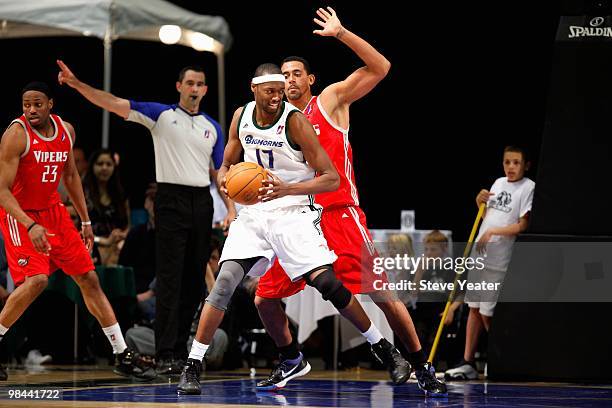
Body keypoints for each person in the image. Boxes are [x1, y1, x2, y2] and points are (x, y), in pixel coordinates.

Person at [176, 63, 409, 395]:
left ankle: (383, 347)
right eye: (270, 90)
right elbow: (225, 164)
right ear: (254, 88)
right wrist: (226, 182)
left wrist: (286, 189)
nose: (277, 96)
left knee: (328, 282)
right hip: (255, 213)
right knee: (225, 282)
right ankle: (193, 364)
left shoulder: (296, 121)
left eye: (280, 91)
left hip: (295, 210)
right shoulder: (241, 116)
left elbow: (330, 178)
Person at [253, 7, 447, 396]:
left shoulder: (329, 100)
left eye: (296, 74)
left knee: (382, 295)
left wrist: (341, 33)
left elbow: (381, 67)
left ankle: (422, 366)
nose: (289, 80)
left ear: (309, 79)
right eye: (284, 75)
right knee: (263, 299)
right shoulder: (278, 124)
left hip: (340, 214)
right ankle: (291, 358)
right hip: (300, 221)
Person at [57, 61, 236, 375]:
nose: (195, 88)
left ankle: (182, 351)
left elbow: (220, 174)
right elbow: (113, 103)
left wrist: (232, 208)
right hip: (170, 199)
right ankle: (166, 352)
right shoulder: (161, 115)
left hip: (201, 202)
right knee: (169, 279)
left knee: (195, 282)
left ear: (206, 89)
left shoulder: (213, 127)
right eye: (190, 83)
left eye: (200, 84)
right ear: (179, 86)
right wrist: (77, 84)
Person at [0, 81, 152, 380]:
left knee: (90, 278)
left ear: (50, 104)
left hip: (54, 212)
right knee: (37, 281)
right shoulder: (15, 135)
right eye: (26, 104)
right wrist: (30, 225)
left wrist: (84, 220)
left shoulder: (65, 130)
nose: (31, 110)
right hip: (20, 214)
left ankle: (121, 353)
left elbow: (70, 175)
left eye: (37, 104)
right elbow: (2, 191)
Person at [445, 146, 535, 380]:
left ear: (526, 165)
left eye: (516, 162)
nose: (511, 167)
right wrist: (479, 203)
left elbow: (522, 225)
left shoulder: (528, 187)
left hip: (499, 258)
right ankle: (468, 362)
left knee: (488, 312)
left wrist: (494, 231)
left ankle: (503, 360)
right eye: (507, 162)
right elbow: (489, 217)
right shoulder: (497, 183)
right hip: (480, 255)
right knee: (473, 308)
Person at [83, 148, 130, 266]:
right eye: (100, 164)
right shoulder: (83, 193)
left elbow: (128, 225)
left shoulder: (121, 195)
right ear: (92, 166)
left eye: (109, 164)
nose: (104, 168)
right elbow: (74, 227)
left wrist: (123, 235)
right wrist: (104, 241)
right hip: (91, 246)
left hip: (118, 246)